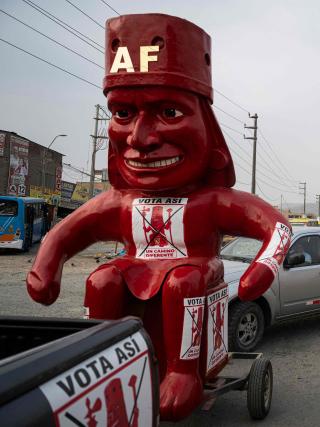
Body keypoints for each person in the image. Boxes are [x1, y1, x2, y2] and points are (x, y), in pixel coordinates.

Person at [26, 13, 292, 421]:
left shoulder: (214, 200)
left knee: (182, 280)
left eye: (169, 112)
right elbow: (67, 232)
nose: (140, 138)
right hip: (139, 270)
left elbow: (277, 226)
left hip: (195, 273)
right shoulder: (120, 199)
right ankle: (104, 365)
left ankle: (183, 371)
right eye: (123, 114)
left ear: (208, 126)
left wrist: (264, 267)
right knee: (103, 279)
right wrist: (49, 258)